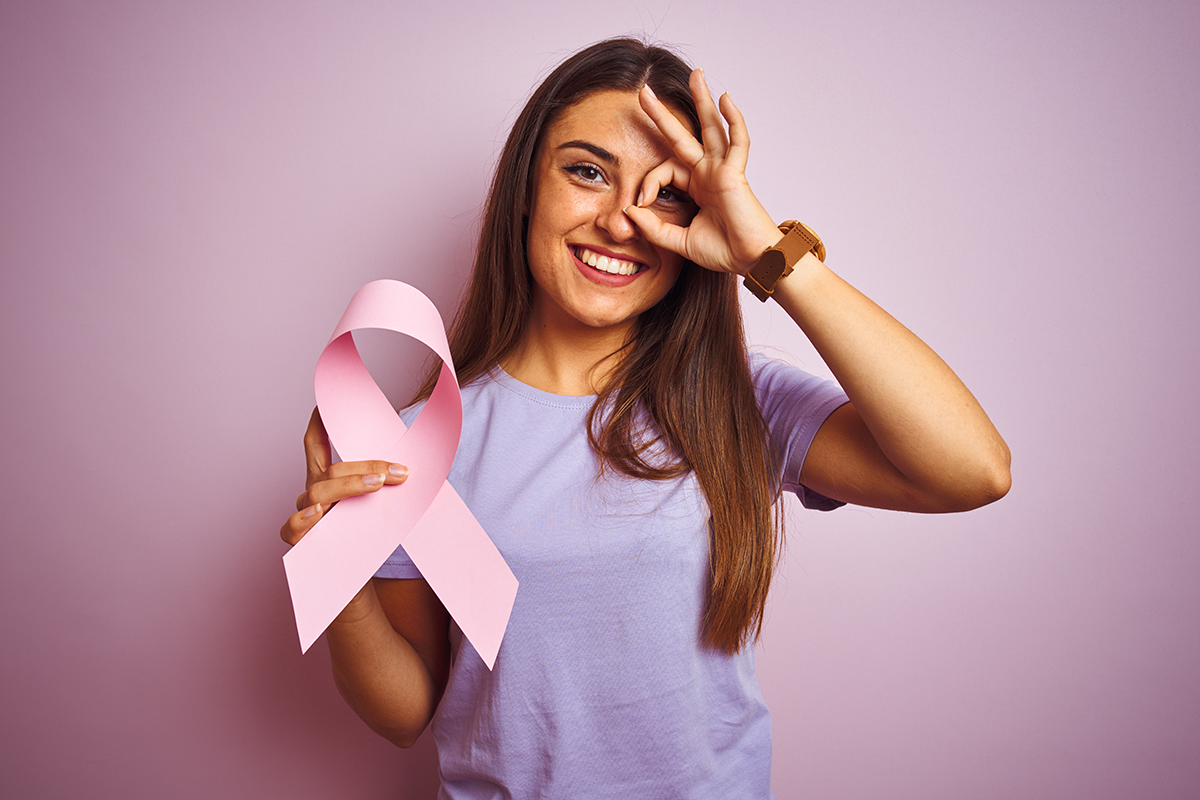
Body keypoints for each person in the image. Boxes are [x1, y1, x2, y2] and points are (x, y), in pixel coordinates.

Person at [280, 37, 1009, 798]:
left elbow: (975, 471)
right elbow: (408, 711)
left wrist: (766, 250)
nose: (624, 222)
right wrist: (343, 578)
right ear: (528, 185)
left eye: (666, 194)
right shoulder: (424, 442)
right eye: (588, 172)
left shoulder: (735, 402)